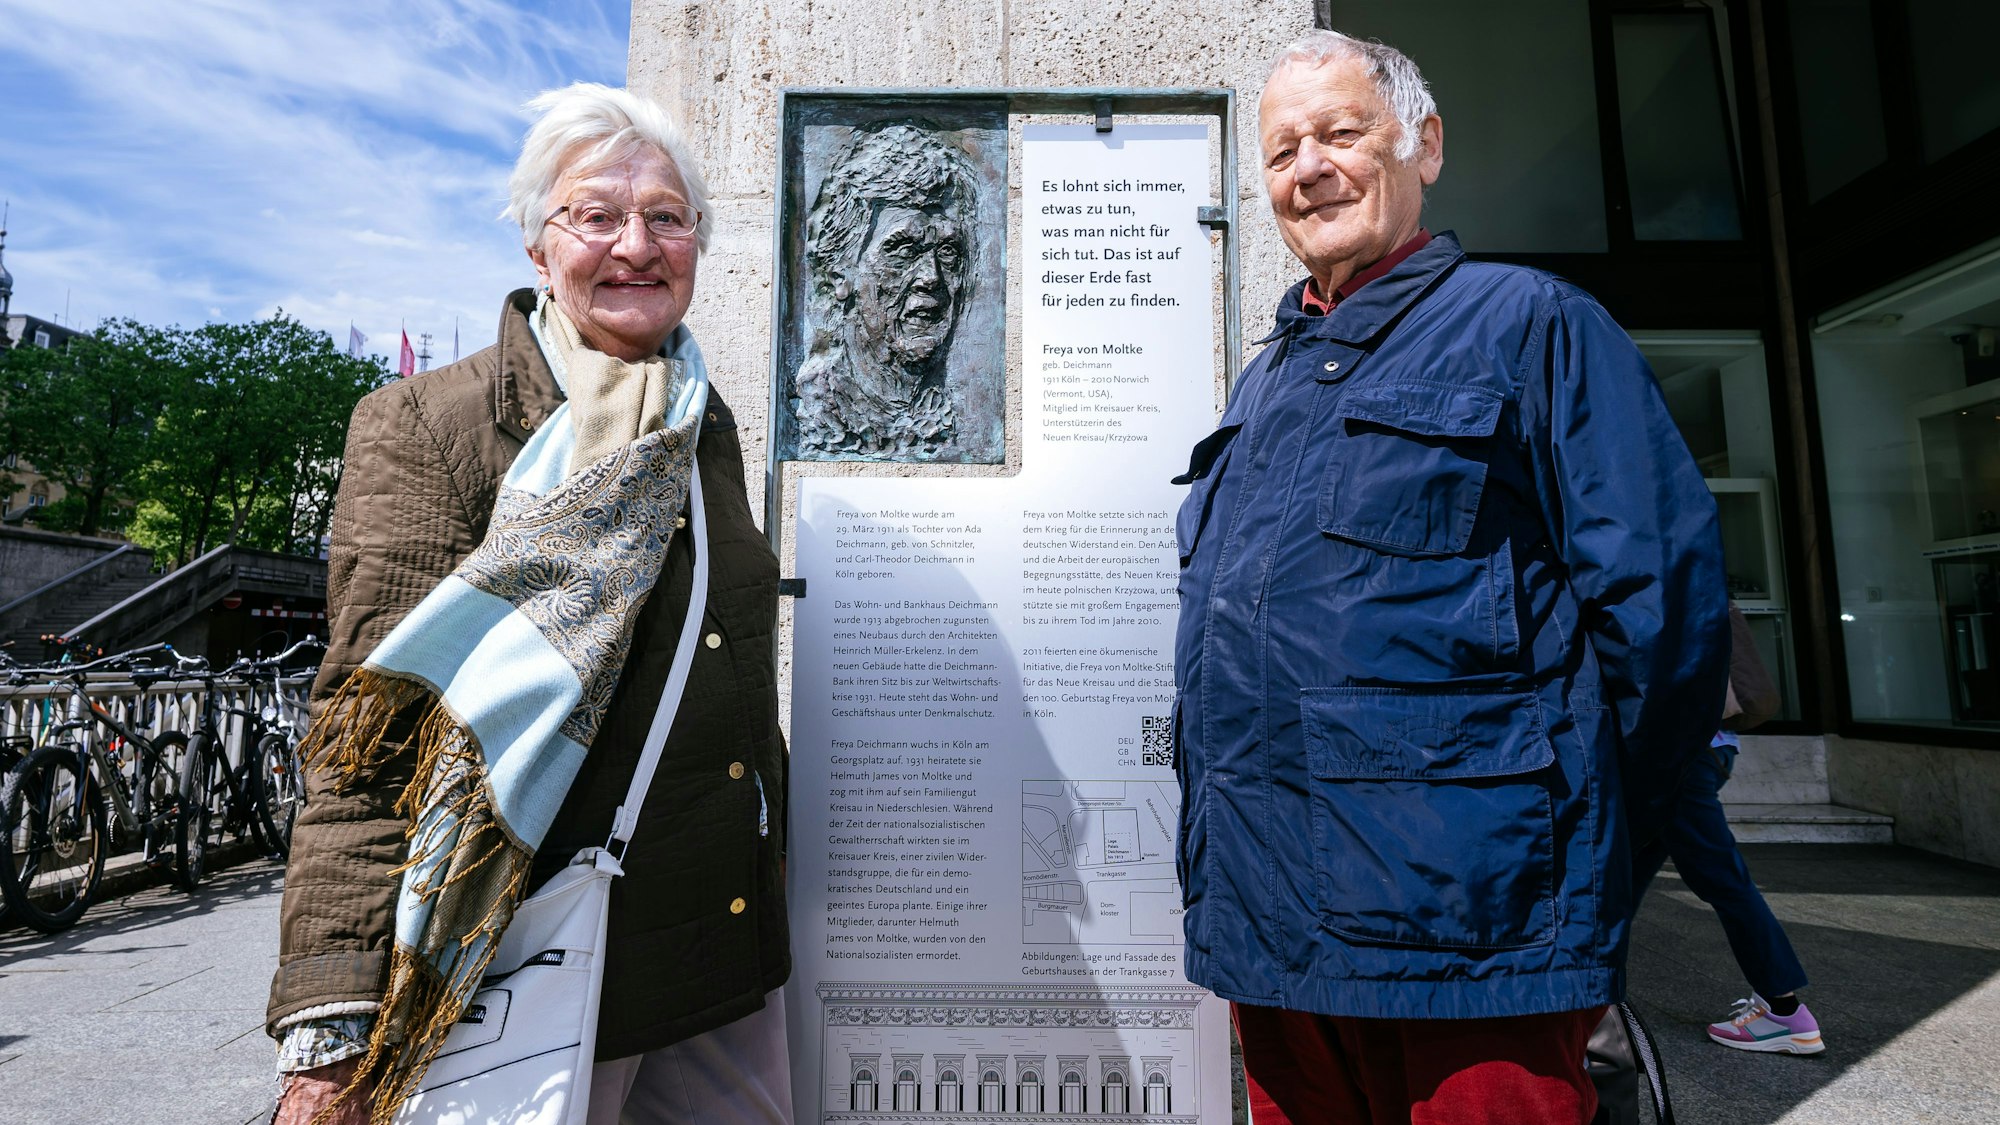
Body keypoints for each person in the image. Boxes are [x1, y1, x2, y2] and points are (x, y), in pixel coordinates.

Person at [1170, 30, 1729, 1124]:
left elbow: (1659, 627)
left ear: (1422, 144)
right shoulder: (1267, 380)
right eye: (1283, 150)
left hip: (1469, 936)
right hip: (1272, 936)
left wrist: (1591, 860)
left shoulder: (1532, 325)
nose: (1309, 168)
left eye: (1340, 133)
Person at [268, 83, 792, 1125]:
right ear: (537, 246)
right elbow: (372, 737)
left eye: (667, 217)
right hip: (530, 958)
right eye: (596, 215)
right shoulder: (430, 422)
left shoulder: (700, 419)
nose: (636, 243)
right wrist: (329, 1027)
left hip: (716, 954)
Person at [1635, 607, 1824, 1055]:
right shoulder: (1691, 576)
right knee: (1617, 883)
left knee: (1724, 882)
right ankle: (1582, 1003)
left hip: (1678, 759)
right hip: (1703, 753)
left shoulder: (1657, 582)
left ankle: (1784, 1011)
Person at [793, 122, 978, 459]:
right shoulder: (819, 406)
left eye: (949, 252)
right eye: (904, 250)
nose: (931, 277)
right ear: (840, 273)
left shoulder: (961, 413)